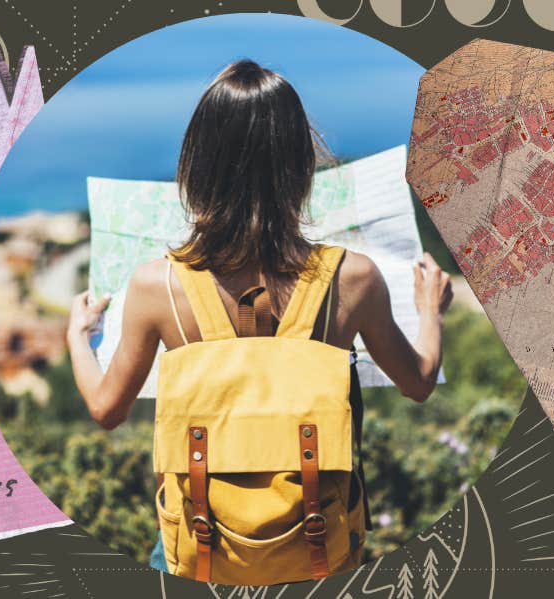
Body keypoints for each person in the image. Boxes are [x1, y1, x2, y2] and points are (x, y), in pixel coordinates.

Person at [66, 59, 454, 582]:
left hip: (197, 554)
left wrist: (77, 334)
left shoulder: (156, 286)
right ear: (300, 163)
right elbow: (420, 382)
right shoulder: (352, 278)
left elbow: (105, 408)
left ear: (196, 165)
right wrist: (430, 311)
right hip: (320, 550)